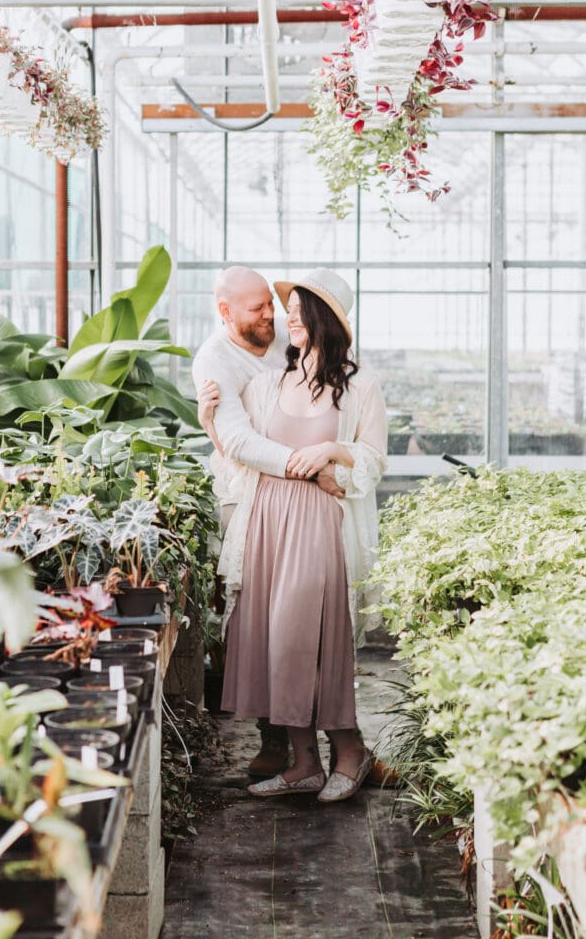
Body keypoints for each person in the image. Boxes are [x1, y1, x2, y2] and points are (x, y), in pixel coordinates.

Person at [208, 267, 388, 801]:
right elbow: (239, 451)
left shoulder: (360, 386)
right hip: (267, 521)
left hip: (320, 526)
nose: (286, 316)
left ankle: (350, 752)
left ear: (324, 317)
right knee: (276, 640)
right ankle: (305, 762)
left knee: (311, 639)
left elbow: (374, 461)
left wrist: (334, 453)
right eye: (286, 308)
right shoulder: (266, 385)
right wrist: (207, 419)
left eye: (298, 307)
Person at [192, 266, 346, 778]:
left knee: (306, 619)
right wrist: (307, 467)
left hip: (305, 493)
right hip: (248, 493)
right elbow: (237, 441)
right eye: (256, 307)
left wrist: (323, 464)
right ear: (225, 311)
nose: (270, 314)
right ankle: (277, 742)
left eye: (270, 304)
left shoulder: (284, 334)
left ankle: (338, 745)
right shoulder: (213, 361)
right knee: (257, 619)